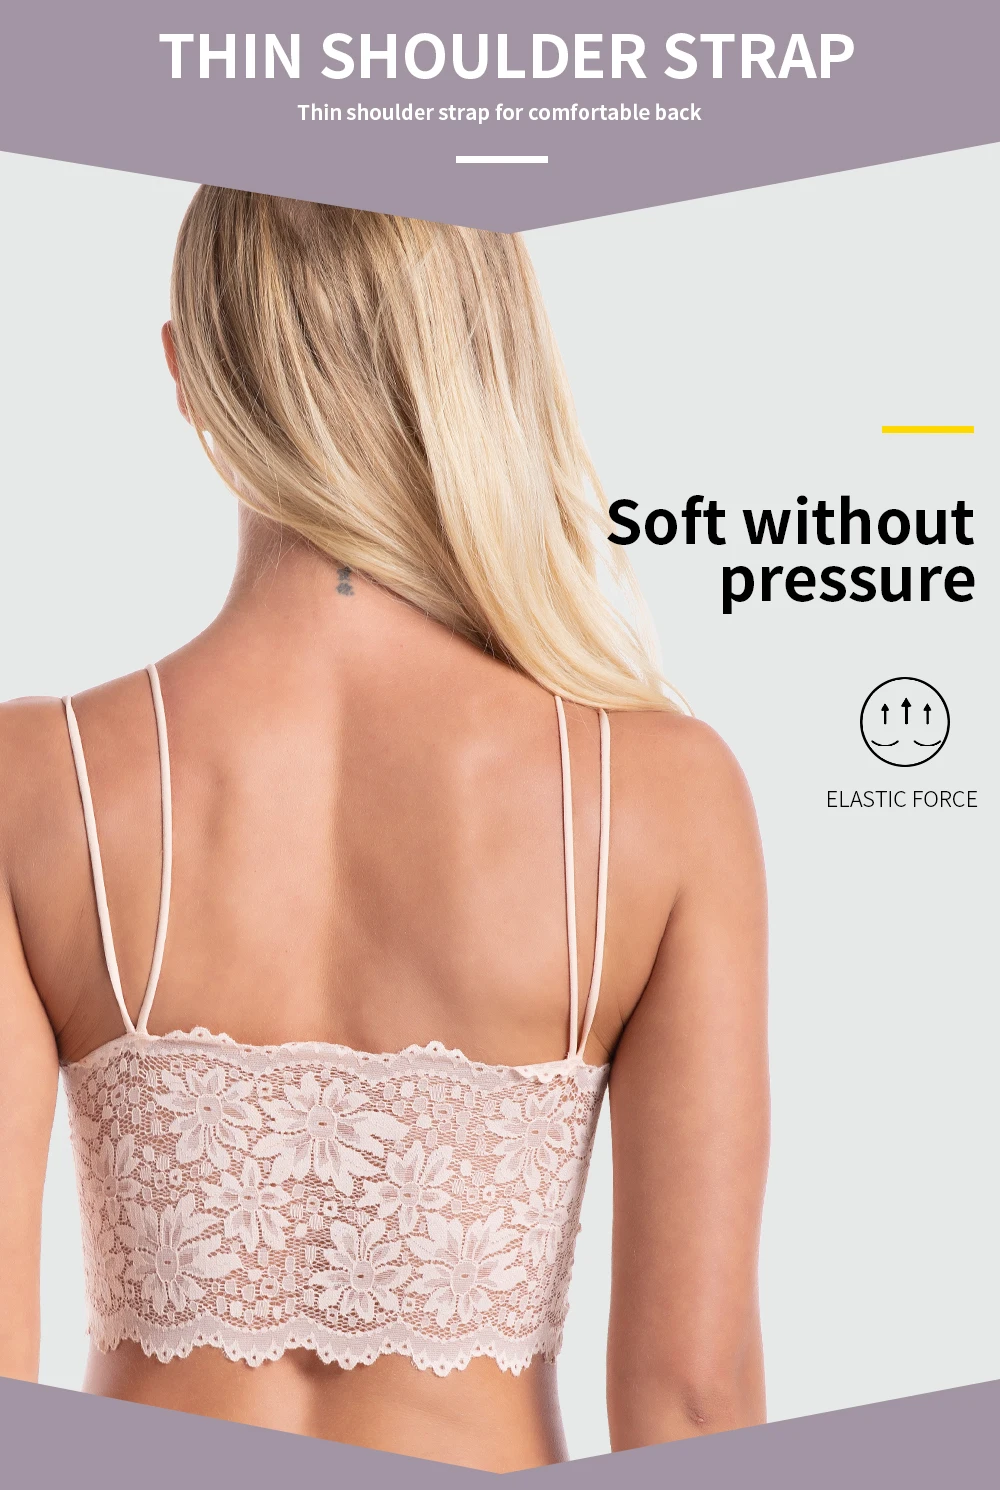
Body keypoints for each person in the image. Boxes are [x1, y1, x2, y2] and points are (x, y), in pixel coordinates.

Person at [0, 191, 769, 1471]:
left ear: (187, 370)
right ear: (492, 366)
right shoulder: (657, 793)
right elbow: (691, 1397)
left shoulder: (40, 780)